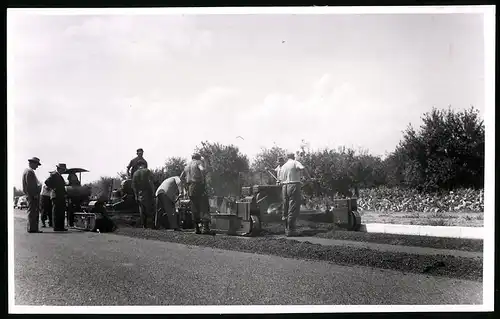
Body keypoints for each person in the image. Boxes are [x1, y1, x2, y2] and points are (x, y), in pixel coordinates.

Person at [180, 153, 214, 235]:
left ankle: (197, 228)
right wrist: (203, 179)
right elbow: (202, 170)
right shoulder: (198, 163)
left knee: (194, 208)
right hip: (198, 186)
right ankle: (205, 228)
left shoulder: (187, 166)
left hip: (190, 188)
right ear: (198, 158)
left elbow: (181, 177)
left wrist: (186, 186)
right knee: (204, 206)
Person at [278, 153, 311, 237]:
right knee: (293, 207)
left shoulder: (283, 166)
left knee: (285, 207)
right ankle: (291, 230)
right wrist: (309, 178)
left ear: (287, 157)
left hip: (284, 187)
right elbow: (303, 168)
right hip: (293, 185)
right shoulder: (295, 162)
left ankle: (286, 229)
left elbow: (280, 179)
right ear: (293, 157)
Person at [45, 163, 68, 231]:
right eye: (63, 169)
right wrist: (53, 188)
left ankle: (61, 227)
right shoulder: (54, 174)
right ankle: (56, 227)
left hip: (60, 196)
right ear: (59, 169)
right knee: (56, 212)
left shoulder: (59, 176)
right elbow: (47, 182)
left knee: (61, 211)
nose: (64, 171)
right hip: (56, 195)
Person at [131, 162, 155, 228]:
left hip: (139, 193)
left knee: (142, 209)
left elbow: (134, 186)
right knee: (149, 208)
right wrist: (153, 192)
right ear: (143, 165)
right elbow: (150, 181)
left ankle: (144, 225)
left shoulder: (135, 173)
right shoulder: (147, 171)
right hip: (147, 192)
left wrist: (136, 196)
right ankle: (152, 225)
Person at [22, 157, 43, 233]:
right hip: (32, 195)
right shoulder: (30, 172)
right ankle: (33, 228)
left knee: (31, 211)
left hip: (29, 194)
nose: (37, 166)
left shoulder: (26, 171)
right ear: (32, 163)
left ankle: (31, 228)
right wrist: (35, 194)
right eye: (36, 164)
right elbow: (31, 185)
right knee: (33, 211)